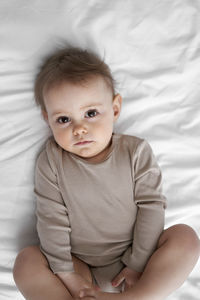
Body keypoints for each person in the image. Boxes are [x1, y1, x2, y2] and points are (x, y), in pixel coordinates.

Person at [13, 47, 200, 300]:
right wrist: (68, 276)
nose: (79, 129)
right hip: (78, 266)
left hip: (136, 256)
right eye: (64, 119)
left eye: (91, 113)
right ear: (47, 119)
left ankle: (137, 297)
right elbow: (51, 219)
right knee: (26, 261)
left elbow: (151, 207)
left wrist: (137, 263)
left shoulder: (135, 151)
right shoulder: (52, 161)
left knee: (185, 237)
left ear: (114, 109)